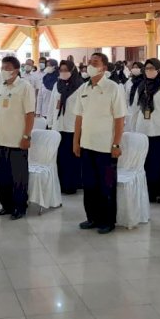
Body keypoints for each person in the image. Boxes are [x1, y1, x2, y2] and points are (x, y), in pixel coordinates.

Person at [73, 52, 127, 234]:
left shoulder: (113, 88)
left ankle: (107, 221)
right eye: (89, 62)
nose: (90, 65)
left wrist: (116, 144)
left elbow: (120, 119)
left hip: (106, 146)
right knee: (89, 185)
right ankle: (92, 218)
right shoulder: (84, 88)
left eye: (95, 62)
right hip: (87, 144)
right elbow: (78, 117)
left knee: (106, 186)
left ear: (104, 67)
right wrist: (76, 141)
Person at [0, 56, 35, 220]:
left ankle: (20, 207)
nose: (4, 70)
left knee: (18, 177)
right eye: (3, 67)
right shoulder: (1, 87)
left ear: (16, 70)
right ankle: (6, 206)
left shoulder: (25, 87)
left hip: (17, 140)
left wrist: (26, 136)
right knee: (1, 175)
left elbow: (30, 113)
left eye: (7, 67)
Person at [130, 58, 160, 203]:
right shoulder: (141, 85)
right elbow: (135, 110)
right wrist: (133, 130)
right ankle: (148, 192)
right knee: (147, 162)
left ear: (159, 69)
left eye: (152, 68)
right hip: (143, 130)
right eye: (147, 68)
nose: (149, 70)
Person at [48, 60, 84, 194]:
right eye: (61, 70)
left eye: (66, 70)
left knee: (72, 158)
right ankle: (61, 183)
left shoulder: (80, 86)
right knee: (60, 157)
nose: (63, 73)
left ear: (73, 70)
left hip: (72, 128)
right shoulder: (57, 85)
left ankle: (71, 184)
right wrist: (50, 124)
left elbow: (82, 110)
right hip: (58, 127)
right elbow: (52, 105)